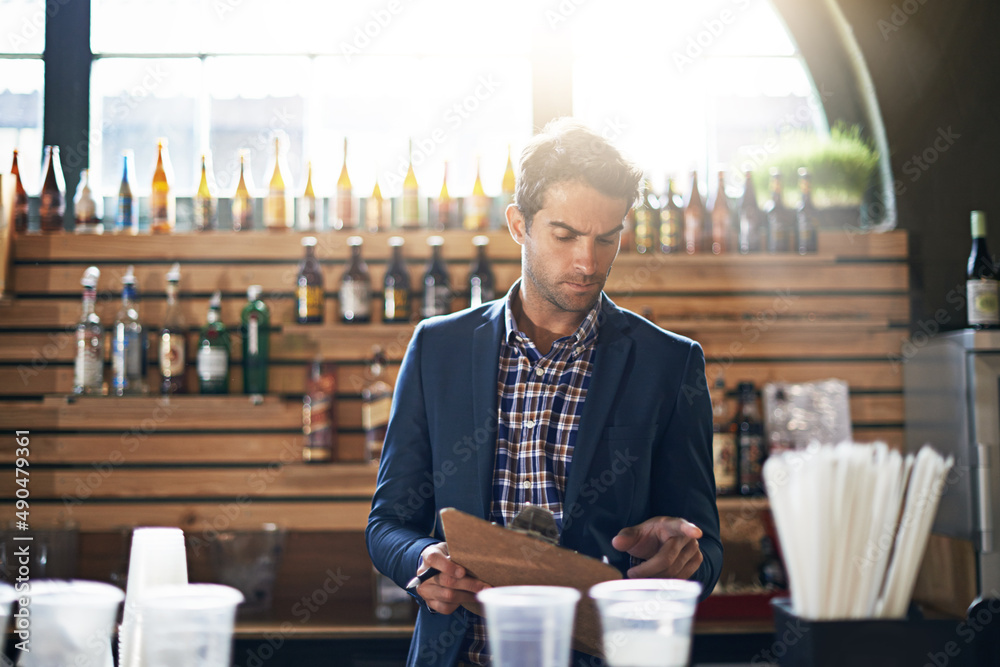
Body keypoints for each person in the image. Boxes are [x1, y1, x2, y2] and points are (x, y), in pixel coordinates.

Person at [367, 118, 722, 667]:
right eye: (564, 236)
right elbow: (387, 523)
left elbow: (707, 550)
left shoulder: (670, 363)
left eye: (607, 238)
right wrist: (421, 563)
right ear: (518, 224)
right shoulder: (438, 349)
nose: (588, 262)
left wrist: (682, 559)